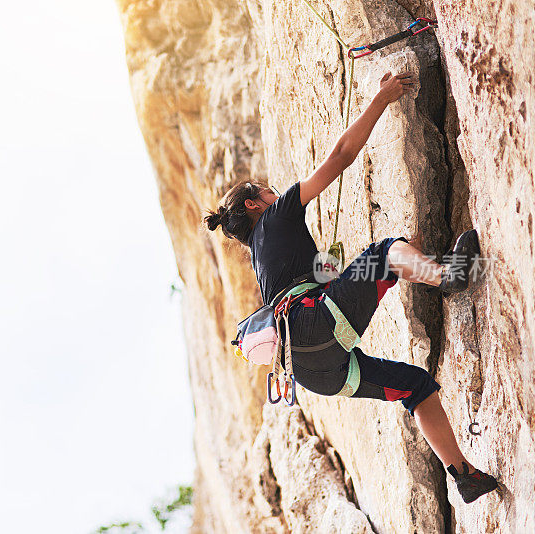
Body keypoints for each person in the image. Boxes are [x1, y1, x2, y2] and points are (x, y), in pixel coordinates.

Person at [203, 72, 497, 504]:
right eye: (265, 190)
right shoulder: (276, 216)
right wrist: (381, 98)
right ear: (253, 204)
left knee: (414, 386)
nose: (273, 191)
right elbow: (341, 156)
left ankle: (465, 475)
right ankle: (450, 276)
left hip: (314, 374)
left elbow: (319, 281)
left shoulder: (262, 263)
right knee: (383, 252)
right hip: (317, 325)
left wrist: (335, 268)